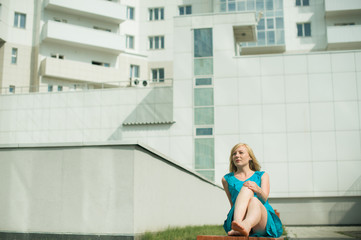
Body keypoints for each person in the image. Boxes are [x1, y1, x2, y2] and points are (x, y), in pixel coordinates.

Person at [222, 143, 283, 237]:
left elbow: (264, 200)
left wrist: (257, 189)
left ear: (250, 157)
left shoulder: (262, 175)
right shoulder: (226, 179)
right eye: (234, 154)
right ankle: (238, 225)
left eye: (241, 152)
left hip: (260, 219)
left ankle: (244, 226)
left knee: (254, 199)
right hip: (238, 217)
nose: (237, 155)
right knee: (247, 188)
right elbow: (233, 205)